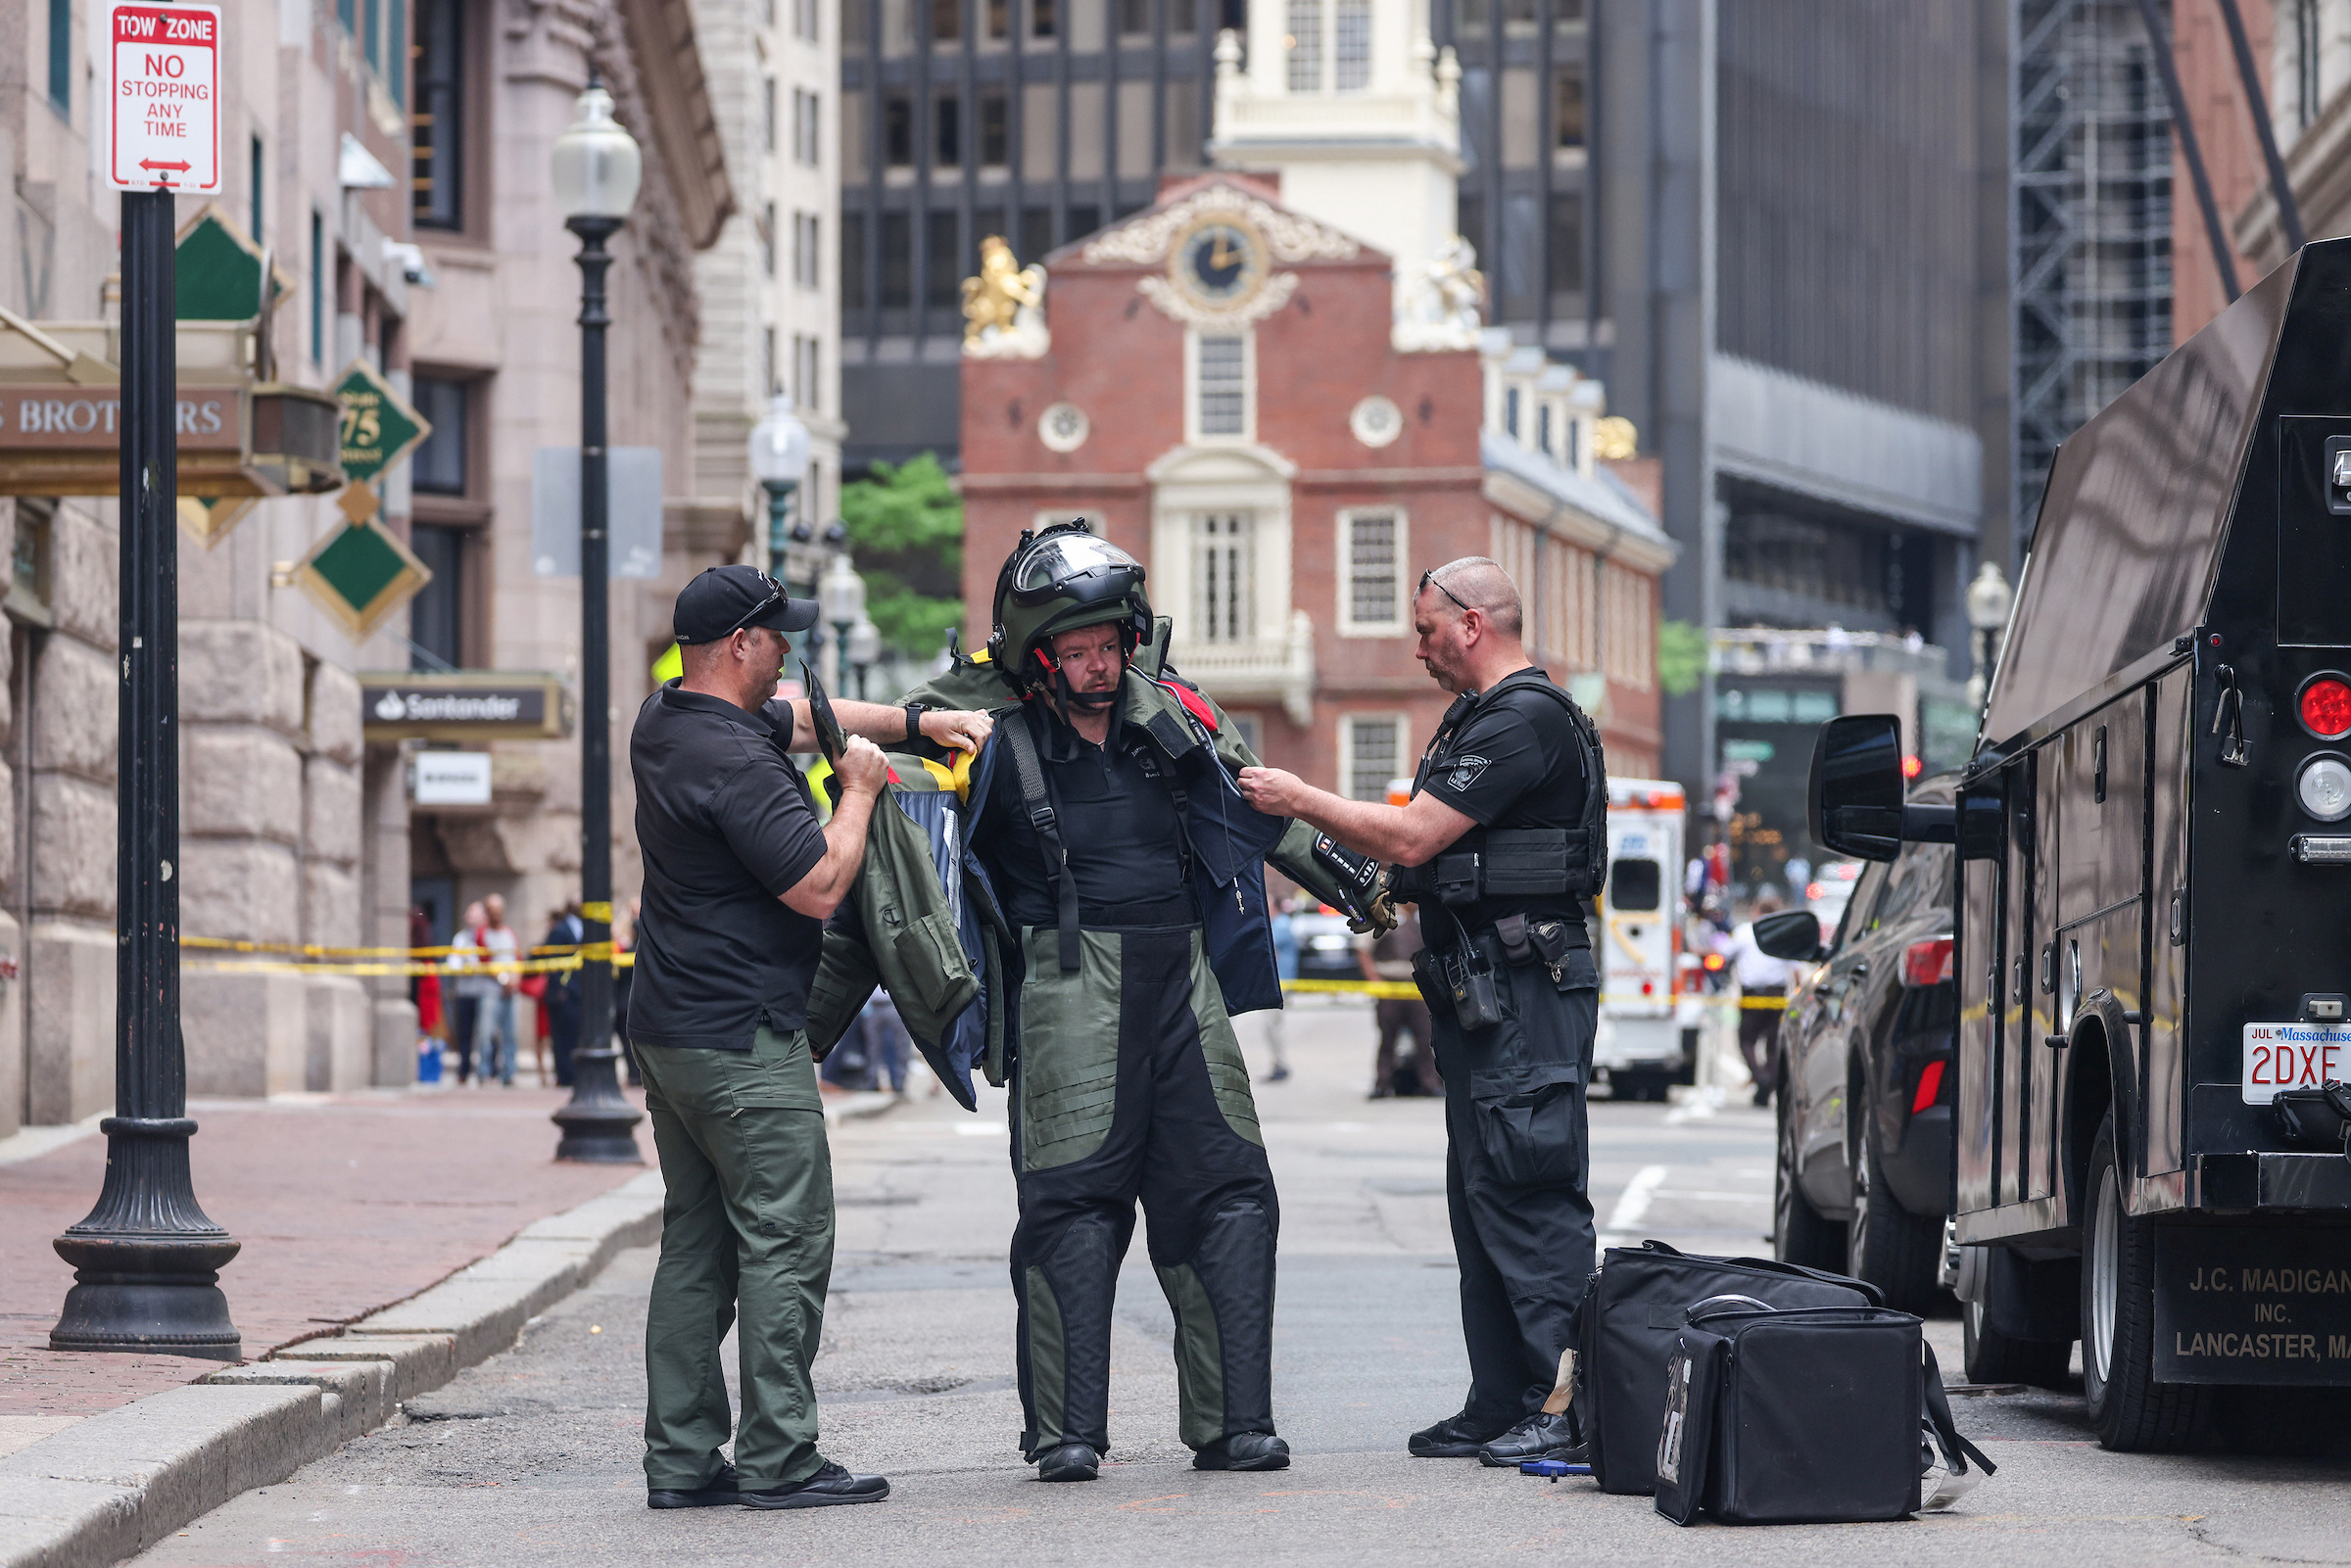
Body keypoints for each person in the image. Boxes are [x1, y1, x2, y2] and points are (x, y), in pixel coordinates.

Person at [887, 522, 1385, 1485]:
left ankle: (1238, 1422)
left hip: (1182, 984)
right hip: (1068, 990)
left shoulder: (1179, 721)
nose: (1098, 665)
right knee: (1073, 1208)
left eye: (1108, 646)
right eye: (1075, 651)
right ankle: (1068, 1431)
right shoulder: (987, 737)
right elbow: (889, 791)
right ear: (1039, 658)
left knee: (1232, 1195)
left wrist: (1364, 887)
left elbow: (1263, 806)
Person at [629, 562, 992, 1513]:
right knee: (786, 1239)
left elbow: (797, 712)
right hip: (743, 1040)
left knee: (696, 1246)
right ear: (739, 644)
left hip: (670, 1031)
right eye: (777, 634)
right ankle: (781, 1456)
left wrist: (915, 724)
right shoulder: (737, 766)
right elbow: (823, 884)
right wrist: (863, 789)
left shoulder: (666, 720)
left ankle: (680, 1457)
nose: (789, 649)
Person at [1239, 555, 1605, 1470]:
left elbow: (1412, 835)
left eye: (1427, 629)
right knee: (1482, 1198)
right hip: (1484, 996)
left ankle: (1568, 1403)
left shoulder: (1524, 720)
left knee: (1528, 1192)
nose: (1418, 648)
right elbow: (1421, 863)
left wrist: (1295, 797)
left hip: (1524, 989)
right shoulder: (1476, 721)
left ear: (1473, 624)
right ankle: (1502, 1399)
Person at [1360, 905, 1439, 1098]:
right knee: (1388, 1038)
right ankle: (1382, 1083)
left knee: (1425, 1038)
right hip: (1390, 986)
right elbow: (1363, 950)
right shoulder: (1385, 917)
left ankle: (1430, 1083)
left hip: (1418, 988)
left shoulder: (1426, 918)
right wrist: (1375, 981)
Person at [1724, 891, 1795, 1106]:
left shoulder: (1745, 932)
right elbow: (1797, 967)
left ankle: (1761, 1078)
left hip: (1753, 995)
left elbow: (1723, 953)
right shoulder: (1784, 933)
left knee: (1746, 1040)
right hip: (1777, 995)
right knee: (1773, 1046)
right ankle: (1766, 1083)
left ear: (1755, 911)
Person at [474, 894, 521, 1086]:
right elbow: (484, 962)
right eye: (493, 911)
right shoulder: (481, 935)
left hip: (511, 990)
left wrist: (515, 980)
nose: (497, 915)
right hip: (491, 989)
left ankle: (508, 1072)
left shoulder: (509, 933)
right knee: (486, 1033)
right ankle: (484, 1071)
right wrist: (504, 980)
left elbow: (516, 959)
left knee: (511, 1033)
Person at [542, 902, 587, 1087]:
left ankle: (574, 1073)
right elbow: (552, 961)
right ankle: (564, 1075)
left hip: (579, 992)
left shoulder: (585, 927)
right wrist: (560, 988)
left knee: (575, 1034)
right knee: (562, 1038)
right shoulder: (560, 930)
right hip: (563, 993)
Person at [448, 900, 491, 1086]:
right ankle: (464, 1068)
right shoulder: (461, 938)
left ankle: (486, 1069)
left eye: (474, 912)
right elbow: (453, 961)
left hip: (484, 991)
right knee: (464, 1033)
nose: (469, 916)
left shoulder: (489, 936)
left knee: (486, 1032)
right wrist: (466, 967)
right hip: (465, 991)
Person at [1262, 895, 1296, 1083]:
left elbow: (1264, 944)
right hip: (1274, 982)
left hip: (1281, 982)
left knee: (1272, 1025)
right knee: (1270, 1027)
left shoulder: (1281, 925)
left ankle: (1281, 1064)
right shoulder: (1275, 923)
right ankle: (1277, 1063)